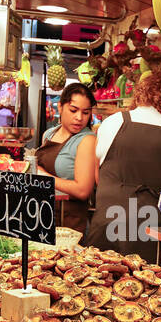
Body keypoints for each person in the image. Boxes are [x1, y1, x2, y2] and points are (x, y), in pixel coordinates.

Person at [86, 70, 161, 257]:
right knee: (148, 283)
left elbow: (98, 176)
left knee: (96, 280)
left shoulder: (111, 123)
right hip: (151, 235)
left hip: (106, 226)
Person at [35, 84, 97, 235]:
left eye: (86, 113)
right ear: (60, 107)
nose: (79, 118)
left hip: (69, 222)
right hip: (42, 215)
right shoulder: (49, 133)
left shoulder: (87, 140)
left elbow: (83, 190)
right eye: (73, 110)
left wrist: (44, 177)